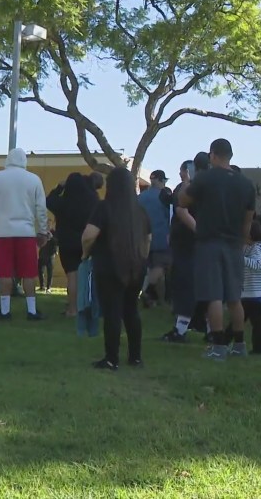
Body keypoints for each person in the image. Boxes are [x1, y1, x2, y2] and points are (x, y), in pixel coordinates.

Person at [178, 139, 255, 361]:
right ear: (230, 155)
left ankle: (218, 345)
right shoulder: (245, 184)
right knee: (234, 296)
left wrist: (187, 182)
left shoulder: (205, 179)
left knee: (213, 295)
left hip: (209, 242)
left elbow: (183, 201)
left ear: (212, 155)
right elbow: (248, 220)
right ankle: (239, 344)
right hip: (234, 244)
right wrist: (241, 240)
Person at [81, 167, 151, 370]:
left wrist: (85, 253)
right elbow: (148, 240)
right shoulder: (140, 211)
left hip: (109, 265)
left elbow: (89, 235)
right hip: (136, 266)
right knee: (131, 310)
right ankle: (135, 357)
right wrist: (142, 259)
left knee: (112, 312)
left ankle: (111, 358)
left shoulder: (104, 208)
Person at [0, 148, 49, 321]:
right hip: (26, 232)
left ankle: (5, 311)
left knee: (4, 273)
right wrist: (42, 230)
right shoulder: (34, 179)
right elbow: (41, 209)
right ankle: (32, 311)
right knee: (28, 272)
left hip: (2, 232)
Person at [162, 154, 209, 343]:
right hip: (203, 244)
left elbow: (181, 209)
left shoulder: (192, 189)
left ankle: (182, 329)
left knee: (185, 286)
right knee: (204, 287)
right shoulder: (213, 187)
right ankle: (207, 326)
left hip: (189, 244)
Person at [47, 173, 99, 316]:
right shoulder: (92, 200)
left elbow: (49, 200)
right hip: (87, 241)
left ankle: (73, 309)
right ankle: (88, 306)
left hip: (67, 242)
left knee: (72, 276)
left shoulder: (63, 202)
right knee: (87, 276)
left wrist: (59, 187)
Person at [239, 221, 261, 355]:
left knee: (254, 323)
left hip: (255, 292)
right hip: (250, 292)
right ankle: (226, 340)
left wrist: (241, 259)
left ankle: (257, 349)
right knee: (246, 319)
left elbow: (257, 265)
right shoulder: (248, 247)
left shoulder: (256, 249)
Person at [137, 170, 172, 307]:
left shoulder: (141, 197)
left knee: (150, 268)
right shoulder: (164, 197)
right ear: (160, 180)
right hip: (161, 237)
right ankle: (146, 292)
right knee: (161, 266)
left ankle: (154, 301)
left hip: (143, 238)